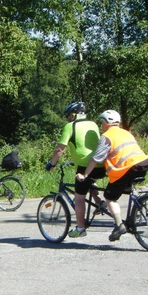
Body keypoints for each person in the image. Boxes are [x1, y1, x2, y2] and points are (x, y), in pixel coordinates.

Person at [76, 110, 148, 242]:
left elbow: (96, 159)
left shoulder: (107, 136)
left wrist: (85, 175)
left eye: (102, 123)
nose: (101, 126)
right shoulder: (126, 132)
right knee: (125, 189)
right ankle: (137, 209)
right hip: (143, 164)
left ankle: (119, 225)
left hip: (127, 168)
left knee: (109, 196)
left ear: (106, 123)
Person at [46, 101, 107, 238]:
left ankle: (80, 228)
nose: (67, 118)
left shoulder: (70, 126)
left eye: (69, 115)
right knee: (90, 181)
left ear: (74, 115)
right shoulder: (93, 124)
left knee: (79, 198)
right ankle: (99, 203)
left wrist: (52, 164)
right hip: (101, 165)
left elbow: (60, 149)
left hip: (85, 166)